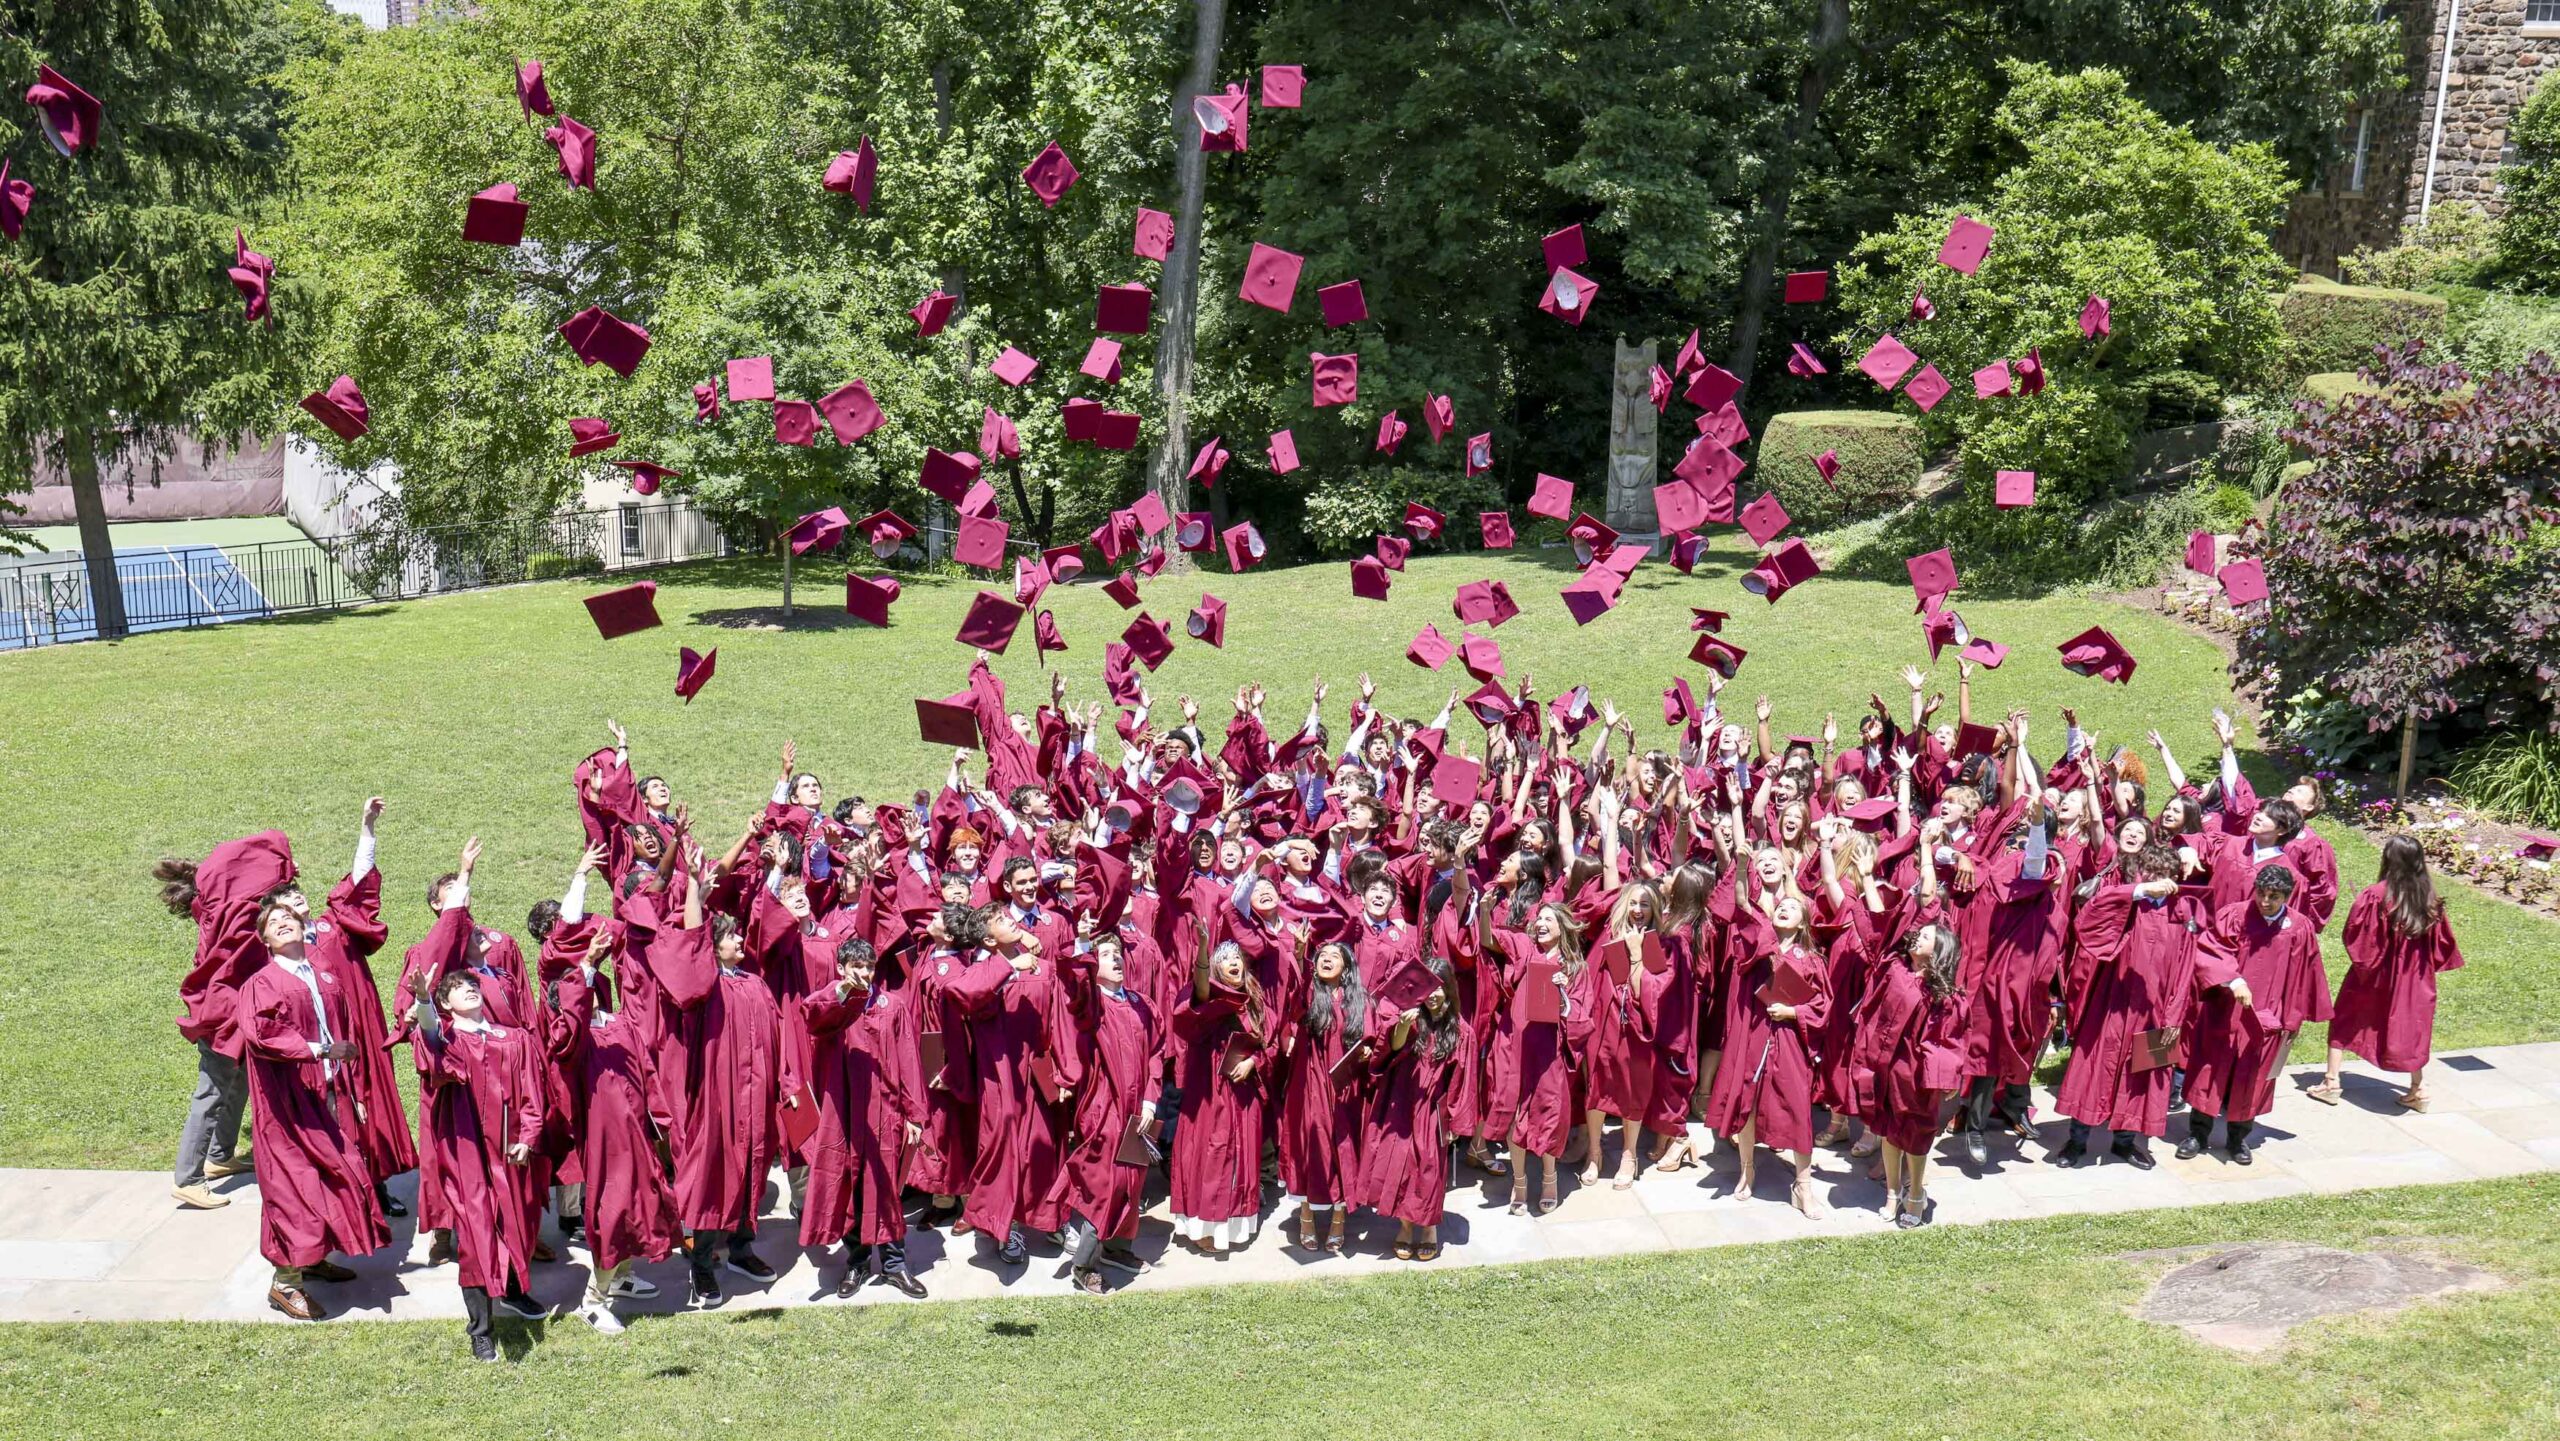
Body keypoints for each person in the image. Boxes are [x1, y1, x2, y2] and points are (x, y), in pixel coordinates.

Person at [235, 890, 389, 1319]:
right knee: (293, 1187)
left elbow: (344, 1039)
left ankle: (313, 1257)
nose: (283, 922)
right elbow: (263, 1035)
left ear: (304, 927)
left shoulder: (323, 976)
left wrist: (352, 1092)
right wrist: (319, 1051)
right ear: (264, 940)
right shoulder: (261, 984)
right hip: (287, 1105)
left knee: (334, 1178)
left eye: (289, 917)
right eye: (273, 922)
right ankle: (285, 1283)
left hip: (327, 1097)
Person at [2052, 844, 2238, 1168]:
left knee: (2142, 1079)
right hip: (2113, 1007)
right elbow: (2090, 919)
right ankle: (2077, 1141)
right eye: (2149, 873)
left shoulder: (2182, 914)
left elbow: (2187, 967)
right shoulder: (2126, 904)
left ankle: (2125, 1143)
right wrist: (2138, 890)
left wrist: (2173, 1016)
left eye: (2162, 874)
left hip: (2157, 1012)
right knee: (2094, 1072)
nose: (2156, 880)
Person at [658, 855, 784, 1308]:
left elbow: (779, 1036)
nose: (739, 941)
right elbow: (686, 947)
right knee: (713, 1181)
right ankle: (702, 1267)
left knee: (751, 1173)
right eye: (730, 936)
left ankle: (742, 1249)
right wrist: (696, 889)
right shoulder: (704, 987)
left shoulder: (755, 984)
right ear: (712, 947)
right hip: (717, 1101)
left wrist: (785, 1086)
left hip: (757, 1098)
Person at [411, 970, 547, 1360]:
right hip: (468, 1155)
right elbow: (433, 1047)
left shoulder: (513, 1038)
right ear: (446, 1005)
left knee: (516, 1227)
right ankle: (481, 1329)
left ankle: (516, 1291)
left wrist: (528, 1136)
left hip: (510, 1153)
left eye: (471, 984)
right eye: (455, 989)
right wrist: (423, 1001)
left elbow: (532, 1093)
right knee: (476, 1237)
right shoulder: (450, 1040)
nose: (467, 989)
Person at [158, 829, 295, 1210]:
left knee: (238, 1083)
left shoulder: (221, 907)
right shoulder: (238, 917)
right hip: (223, 1014)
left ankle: (220, 1154)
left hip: (230, 1010)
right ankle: (188, 1179)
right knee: (213, 1090)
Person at [549, 929, 678, 1334]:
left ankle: (620, 1275)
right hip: (604, 1139)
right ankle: (593, 1299)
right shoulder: (570, 1037)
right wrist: (586, 965)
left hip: (636, 1132)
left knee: (641, 1203)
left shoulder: (621, 1025)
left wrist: (660, 1123)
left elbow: (648, 1073)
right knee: (614, 1209)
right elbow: (571, 1024)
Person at [793, 937, 927, 1298]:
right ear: (841, 968)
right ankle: (857, 1262)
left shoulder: (891, 1005)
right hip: (845, 1111)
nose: (864, 973)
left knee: (886, 1189)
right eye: (857, 967)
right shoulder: (834, 1003)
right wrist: (843, 990)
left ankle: (895, 1265)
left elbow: (910, 1060)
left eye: (868, 967)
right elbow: (811, 1014)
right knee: (851, 1185)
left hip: (885, 1112)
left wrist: (915, 1115)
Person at [2313, 835, 2465, 1113]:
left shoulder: (2376, 894)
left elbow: (2357, 937)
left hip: (2375, 975)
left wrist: (2367, 966)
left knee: (2346, 1018)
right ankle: (2419, 1089)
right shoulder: (2428, 898)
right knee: (2412, 1029)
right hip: (2416, 979)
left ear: (2388, 859)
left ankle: (2331, 1082)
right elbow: (2441, 945)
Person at [1052, 926, 1166, 1293]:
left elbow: (1156, 1053)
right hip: (1105, 1109)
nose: (1116, 959)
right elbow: (1074, 981)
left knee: (1132, 1182)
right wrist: (1084, 943)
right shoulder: (1092, 1004)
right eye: (1105, 955)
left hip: (1139, 1109)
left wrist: (1151, 1098)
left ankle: (1118, 1247)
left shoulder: (1140, 1003)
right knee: (1104, 1185)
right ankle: (1084, 1265)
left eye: (1118, 953)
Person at [2181, 865, 2318, 1163]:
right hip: (2225, 1010)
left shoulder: (2299, 927)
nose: (2265, 901)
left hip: (2267, 1017)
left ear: (2287, 896)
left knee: (2252, 1079)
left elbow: (2303, 977)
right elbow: (2210, 950)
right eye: (2261, 893)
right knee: (2210, 1072)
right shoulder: (2235, 914)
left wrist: (2291, 1020)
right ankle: (2197, 1134)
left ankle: (2238, 1138)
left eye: (2274, 896)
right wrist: (2233, 979)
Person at [1845, 922, 1965, 1226]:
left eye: (1926, 937)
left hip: (1915, 1071)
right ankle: (1892, 1191)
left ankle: (1916, 1194)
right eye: (1919, 933)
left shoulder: (1943, 993)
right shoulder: (1895, 971)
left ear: (1939, 951)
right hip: (1886, 1064)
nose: (1917, 937)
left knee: (1913, 1132)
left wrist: (1946, 1076)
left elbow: (1945, 1039)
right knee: (1888, 1128)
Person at [1356, 954, 1471, 1260]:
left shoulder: (1460, 1030)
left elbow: (1463, 1079)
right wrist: (1403, 1029)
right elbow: (1385, 1056)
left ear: (1448, 989)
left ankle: (1430, 1226)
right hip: (1401, 1104)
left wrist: (1454, 1123)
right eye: (1428, 988)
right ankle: (1406, 1227)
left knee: (1430, 1170)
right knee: (1404, 1167)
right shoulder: (1407, 1018)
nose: (1433, 995)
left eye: (1439, 987)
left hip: (1433, 1110)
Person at [1169, 940, 1273, 1252]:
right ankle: (1203, 1225)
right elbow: (1191, 1013)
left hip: (1243, 1093)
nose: (1234, 962)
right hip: (1209, 1092)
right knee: (1210, 1156)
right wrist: (1201, 952)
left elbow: (1270, 1045)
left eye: (1238, 957)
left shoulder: (1255, 1000)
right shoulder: (1204, 997)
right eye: (1226, 958)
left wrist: (1253, 1062)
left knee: (1241, 1157)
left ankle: (1233, 1224)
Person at [1278, 939, 1368, 1250]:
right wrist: (1303, 955)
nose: (1326, 959)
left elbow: (1371, 1037)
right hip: (1310, 1086)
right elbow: (1297, 996)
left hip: (1345, 1088)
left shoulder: (1358, 1001)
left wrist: (1368, 1052)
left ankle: (1339, 1219)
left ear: (1347, 969)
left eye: (1335, 956)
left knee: (1343, 1150)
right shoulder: (1309, 993)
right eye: (1322, 956)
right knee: (1309, 1146)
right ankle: (1306, 1215)